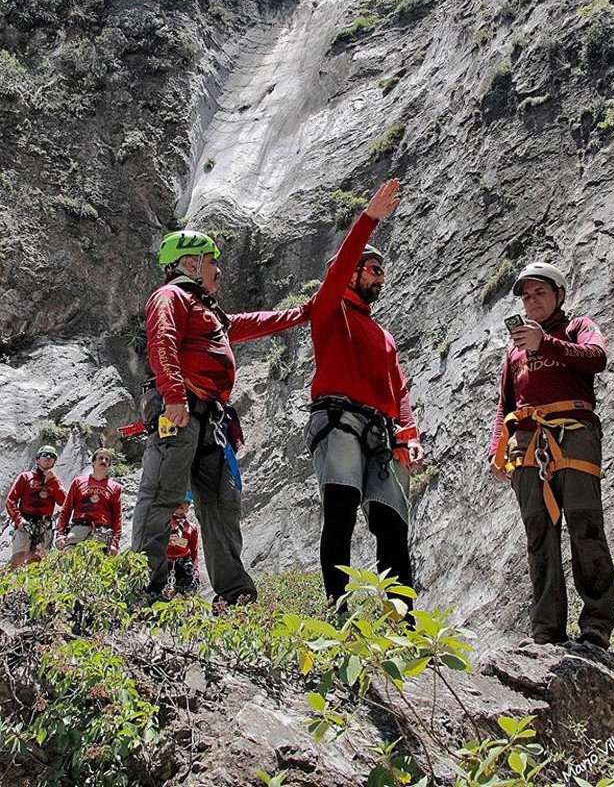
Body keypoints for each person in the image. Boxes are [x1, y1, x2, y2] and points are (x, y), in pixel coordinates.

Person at [132, 230, 309, 604]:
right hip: (180, 410)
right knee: (162, 496)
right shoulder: (170, 297)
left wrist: (302, 313)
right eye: (212, 261)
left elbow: (255, 321)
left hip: (210, 420)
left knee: (221, 505)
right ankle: (143, 593)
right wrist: (174, 396)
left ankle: (233, 596)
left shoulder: (210, 313)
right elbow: (162, 340)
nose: (219, 270)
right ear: (191, 262)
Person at [304, 179, 425, 615]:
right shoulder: (329, 308)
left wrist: (409, 433)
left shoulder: (384, 336)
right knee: (341, 511)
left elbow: (399, 389)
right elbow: (339, 269)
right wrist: (370, 218)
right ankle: (338, 611)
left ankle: (403, 622)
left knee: (392, 524)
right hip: (338, 418)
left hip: (382, 429)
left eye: (381, 272)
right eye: (373, 269)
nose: (380, 277)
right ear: (352, 273)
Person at [488, 261, 614, 649]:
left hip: (574, 431)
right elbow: (505, 402)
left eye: (539, 292)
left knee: (584, 521)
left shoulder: (578, 327)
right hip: (527, 441)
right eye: (526, 296)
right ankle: (547, 631)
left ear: (558, 295)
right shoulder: (514, 350)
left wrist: (545, 343)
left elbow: (596, 357)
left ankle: (596, 624)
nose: (532, 301)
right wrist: (497, 449)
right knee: (538, 533)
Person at [5, 445, 66, 568]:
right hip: (25, 522)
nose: (48, 457)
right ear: (38, 459)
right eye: (45, 455)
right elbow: (10, 501)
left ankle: (28, 581)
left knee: (37, 560)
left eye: (52, 456)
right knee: (19, 557)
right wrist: (18, 520)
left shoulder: (55, 481)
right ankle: (4, 578)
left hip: (44, 525)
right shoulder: (25, 477)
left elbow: (64, 502)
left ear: (54, 462)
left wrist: (53, 481)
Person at [56, 448, 122, 555]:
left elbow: (117, 516)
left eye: (107, 459)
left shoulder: (115, 487)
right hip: (79, 528)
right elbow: (66, 509)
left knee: (95, 563)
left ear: (109, 465)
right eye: (100, 458)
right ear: (93, 462)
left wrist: (115, 543)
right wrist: (60, 534)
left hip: (102, 533)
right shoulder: (78, 482)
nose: (104, 461)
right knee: (68, 559)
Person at [165, 491, 200, 595]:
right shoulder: (165, 523)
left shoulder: (191, 527)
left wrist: (196, 571)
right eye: (180, 501)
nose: (183, 505)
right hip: (165, 562)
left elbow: (194, 552)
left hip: (183, 563)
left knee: (187, 591)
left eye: (186, 502)